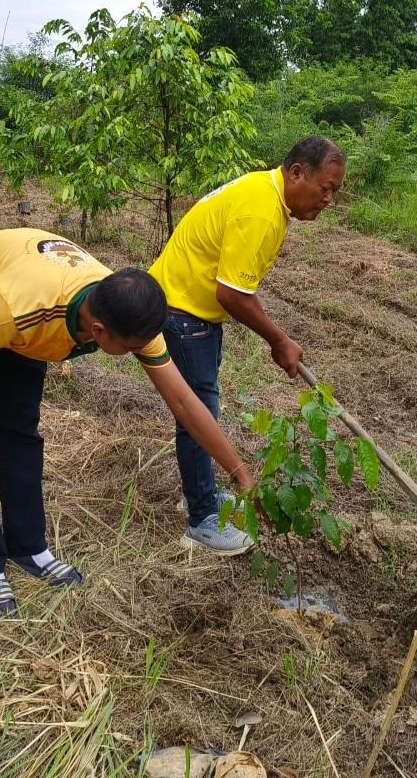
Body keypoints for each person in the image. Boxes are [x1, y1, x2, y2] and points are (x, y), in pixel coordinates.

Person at [0, 227, 254, 615]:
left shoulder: (132, 316)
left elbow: (185, 400)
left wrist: (237, 469)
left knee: (19, 432)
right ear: (99, 332)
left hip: (22, 302)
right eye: (133, 350)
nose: (142, 354)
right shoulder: (22, 310)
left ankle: (29, 547)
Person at [149, 135, 346, 555]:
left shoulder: (263, 190)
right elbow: (232, 294)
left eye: (335, 191)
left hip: (184, 306)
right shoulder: (262, 209)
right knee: (198, 414)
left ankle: (200, 493)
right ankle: (202, 517)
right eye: (325, 188)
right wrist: (280, 341)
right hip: (183, 312)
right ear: (296, 173)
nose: (329, 199)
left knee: (202, 410)